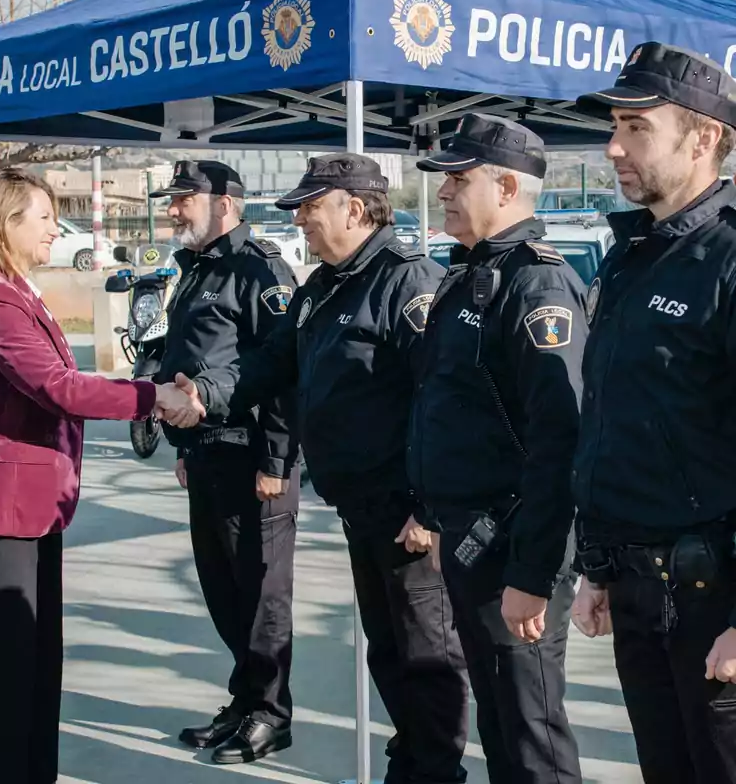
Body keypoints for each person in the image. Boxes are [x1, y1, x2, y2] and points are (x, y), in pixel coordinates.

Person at [180, 153, 470, 783]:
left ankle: (437, 769)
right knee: (389, 652)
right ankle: (413, 759)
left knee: (427, 655)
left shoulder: (407, 282)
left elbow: (443, 400)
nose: (302, 221)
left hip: (406, 512)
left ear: (356, 209)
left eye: (312, 208)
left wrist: (429, 506)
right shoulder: (321, 287)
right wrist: (205, 394)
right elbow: (270, 364)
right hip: (358, 506)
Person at [0, 168, 202, 784]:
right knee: (8, 676)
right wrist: (152, 395)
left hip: (30, 504)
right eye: (45, 217)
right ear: (8, 224)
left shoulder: (16, 290)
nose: (57, 229)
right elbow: (60, 387)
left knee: (35, 664)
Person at [569, 42, 736, 784]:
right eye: (615, 126)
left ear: (702, 139)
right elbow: (614, 421)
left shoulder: (728, 259)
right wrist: (597, 565)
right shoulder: (632, 254)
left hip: (714, 602)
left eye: (637, 128)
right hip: (638, 588)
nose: (612, 146)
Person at [409, 114, 585, 784]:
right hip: (468, 539)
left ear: (507, 187)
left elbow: (559, 439)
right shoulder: (471, 276)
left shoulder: (536, 285)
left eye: (460, 179)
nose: (445, 192)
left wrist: (532, 575)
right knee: (500, 724)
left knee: (531, 731)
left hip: (512, 547)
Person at [149, 160, 301, 765]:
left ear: (226, 203)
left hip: (252, 458)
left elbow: (284, 371)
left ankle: (271, 713)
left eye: (185, 198)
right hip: (206, 454)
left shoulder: (260, 270)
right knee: (223, 591)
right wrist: (183, 448)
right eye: (174, 198)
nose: (174, 209)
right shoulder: (195, 269)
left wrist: (278, 458)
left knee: (263, 598)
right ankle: (244, 702)